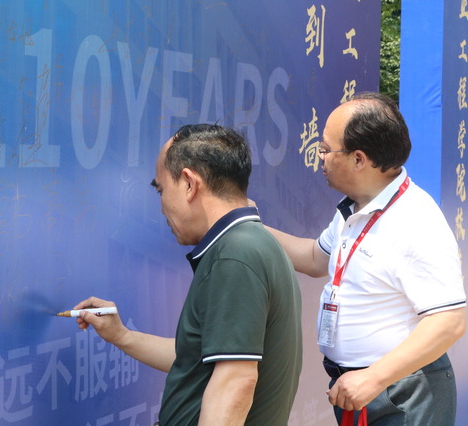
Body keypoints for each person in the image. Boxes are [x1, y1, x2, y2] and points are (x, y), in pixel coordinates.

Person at [73, 124, 302, 426]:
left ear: (189, 184)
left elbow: (235, 383)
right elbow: (196, 358)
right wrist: (123, 336)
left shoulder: (235, 255)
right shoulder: (254, 244)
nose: (161, 207)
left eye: (161, 189)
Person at [260, 92, 467, 425]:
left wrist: (374, 378)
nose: (320, 158)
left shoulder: (415, 219)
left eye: (326, 149)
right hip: (357, 388)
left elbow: (448, 322)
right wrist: (248, 225)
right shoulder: (355, 209)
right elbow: (314, 258)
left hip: (403, 393)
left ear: (359, 159)